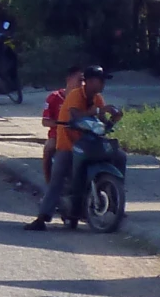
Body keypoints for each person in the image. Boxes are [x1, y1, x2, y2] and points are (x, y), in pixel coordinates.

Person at [28, 66, 117, 230]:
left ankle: (116, 204)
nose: (103, 84)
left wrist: (113, 119)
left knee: (119, 157)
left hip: (90, 144)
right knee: (58, 177)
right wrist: (98, 110)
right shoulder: (75, 95)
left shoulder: (98, 98)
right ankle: (42, 217)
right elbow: (76, 116)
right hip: (69, 144)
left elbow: (103, 121)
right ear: (90, 82)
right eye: (100, 80)